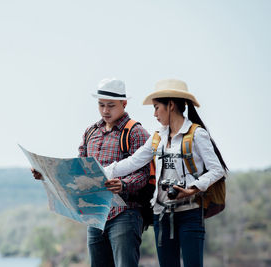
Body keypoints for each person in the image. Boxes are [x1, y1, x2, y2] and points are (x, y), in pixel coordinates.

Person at [104, 78, 228, 267]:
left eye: (156, 107)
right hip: (161, 214)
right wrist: (100, 173)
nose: (154, 114)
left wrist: (192, 189)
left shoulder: (197, 134)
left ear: (170, 105)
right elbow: (133, 162)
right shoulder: (158, 137)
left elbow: (217, 170)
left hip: (190, 213)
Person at [32, 78, 151, 267]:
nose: (105, 110)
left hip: (125, 214)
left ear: (124, 103)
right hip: (95, 218)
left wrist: (123, 184)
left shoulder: (136, 133)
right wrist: (45, 174)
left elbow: (144, 174)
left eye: (111, 106)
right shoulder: (90, 132)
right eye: (101, 105)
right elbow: (77, 172)